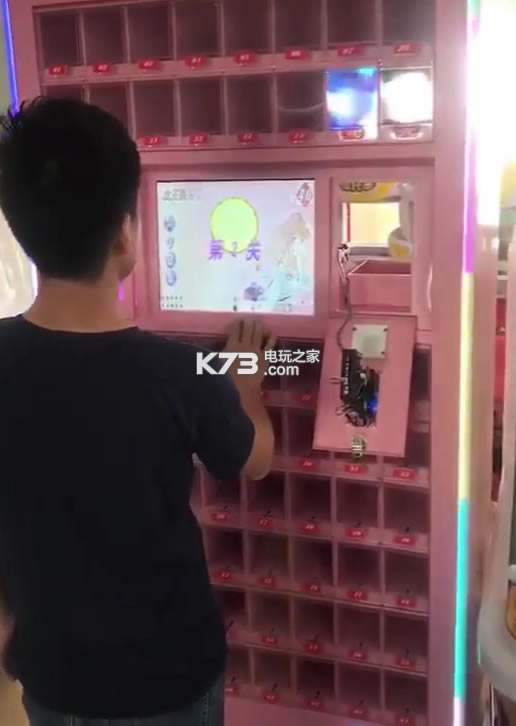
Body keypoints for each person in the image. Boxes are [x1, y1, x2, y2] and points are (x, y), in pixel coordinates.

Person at [0, 97, 274, 726]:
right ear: (126, 234)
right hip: (169, 676)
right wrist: (247, 382)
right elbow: (255, 459)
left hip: (54, 674)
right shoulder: (180, 370)